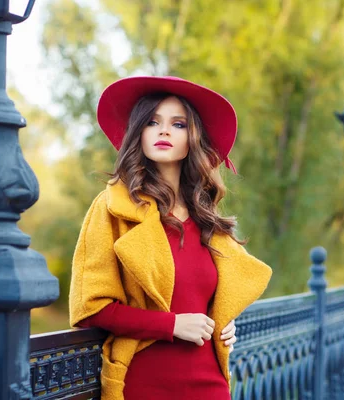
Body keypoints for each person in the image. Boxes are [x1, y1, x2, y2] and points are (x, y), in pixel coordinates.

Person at [68, 76, 273, 400]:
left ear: (193, 138)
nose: (164, 131)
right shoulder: (112, 209)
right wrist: (171, 325)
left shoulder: (207, 220)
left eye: (178, 124)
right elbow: (90, 308)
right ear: (139, 132)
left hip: (211, 385)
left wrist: (224, 320)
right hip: (144, 384)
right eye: (152, 122)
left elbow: (208, 300)